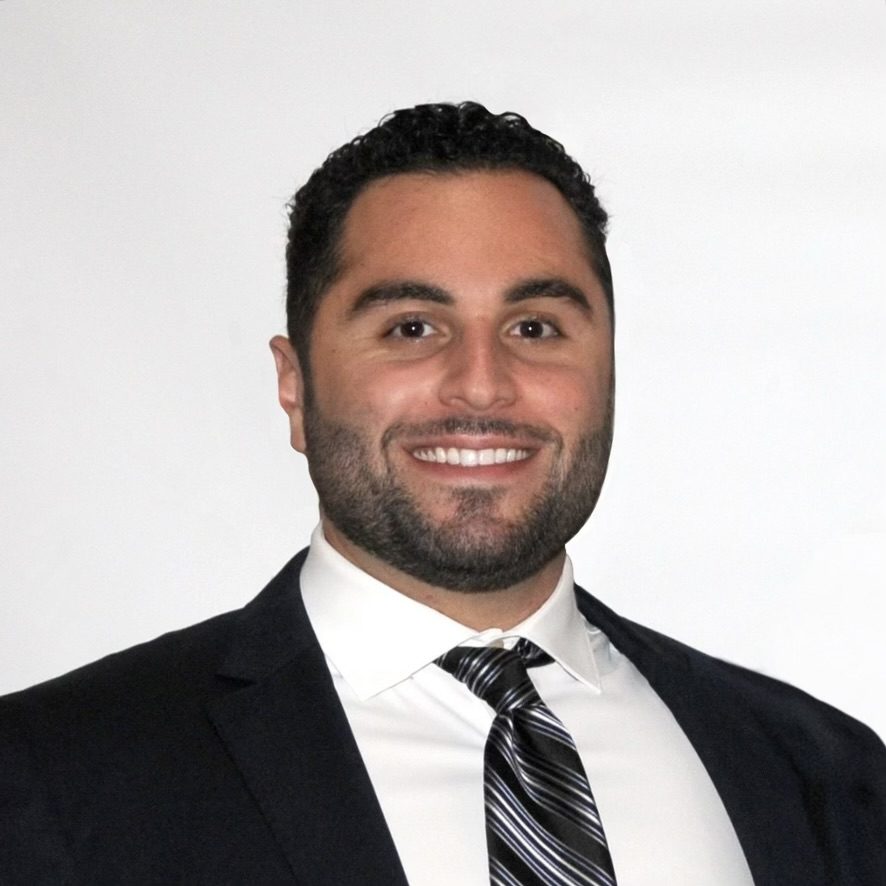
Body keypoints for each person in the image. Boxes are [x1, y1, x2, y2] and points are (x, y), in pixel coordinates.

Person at [1, 102, 883, 886]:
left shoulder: (826, 776)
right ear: (295, 385)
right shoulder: (49, 778)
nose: (481, 386)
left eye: (535, 327)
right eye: (412, 327)